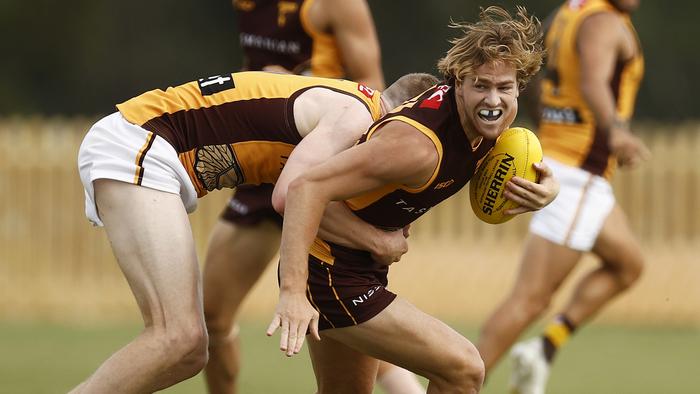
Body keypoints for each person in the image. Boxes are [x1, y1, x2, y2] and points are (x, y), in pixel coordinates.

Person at [73, 70, 437, 393]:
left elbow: (313, 204)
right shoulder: (360, 118)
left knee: (186, 346)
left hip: (144, 144)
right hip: (140, 144)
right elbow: (290, 197)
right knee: (179, 341)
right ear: (408, 113)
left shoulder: (359, 108)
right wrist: (374, 240)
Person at [266, 6, 556, 394]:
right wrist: (294, 293)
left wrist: (548, 191)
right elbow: (303, 188)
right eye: (480, 85)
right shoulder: (417, 146)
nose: (493, 99)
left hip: (354, 266)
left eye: (504, 88)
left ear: (520, 87)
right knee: (464, 369)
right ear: (458, 82)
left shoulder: (489, 130)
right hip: (330, 271)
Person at [203, 1, 424, 392]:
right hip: (267, 167)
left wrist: (293, 83)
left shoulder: (336, 5)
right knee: (212, 316)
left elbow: (377, 96)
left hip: (325, 167)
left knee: (348, 325)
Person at [476, 1, 650, 393]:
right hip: (578, 174)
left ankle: (543, 349)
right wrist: (616, 131)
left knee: (628, 264)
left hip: (564, 162)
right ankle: (454, 385)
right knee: (530, 300)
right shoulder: (604, 20)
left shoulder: (568, 12)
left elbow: (536, 75)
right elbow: (593, 82)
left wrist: (549, 127)